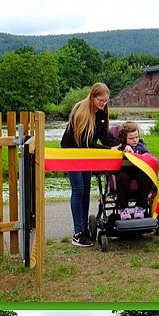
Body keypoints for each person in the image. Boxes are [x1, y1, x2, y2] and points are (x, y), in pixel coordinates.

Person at [61, 82, 119, 247]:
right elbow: (86, 142)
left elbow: (104, 137)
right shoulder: (81, 111)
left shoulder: (101, 114)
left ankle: (85, 229)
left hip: (86, 154)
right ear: (93, 97)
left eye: (106, 101)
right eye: (101, 100)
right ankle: (78, 232)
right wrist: (108, 149)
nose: (103, 104)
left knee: (86, 190)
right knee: (78, 189)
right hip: (72, 152)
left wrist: (120, 145)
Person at [114, 121, 153, 218]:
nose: (135, 140)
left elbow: (149, 157)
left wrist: (146, 156)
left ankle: (140, 207)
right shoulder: (121, 148)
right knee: (121, 178)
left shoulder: (141, 147)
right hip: (124, 171)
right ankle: (123, 208)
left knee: (146, 177)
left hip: (138, 170)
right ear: (124, 138)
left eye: (136, 137)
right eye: (131, 138)